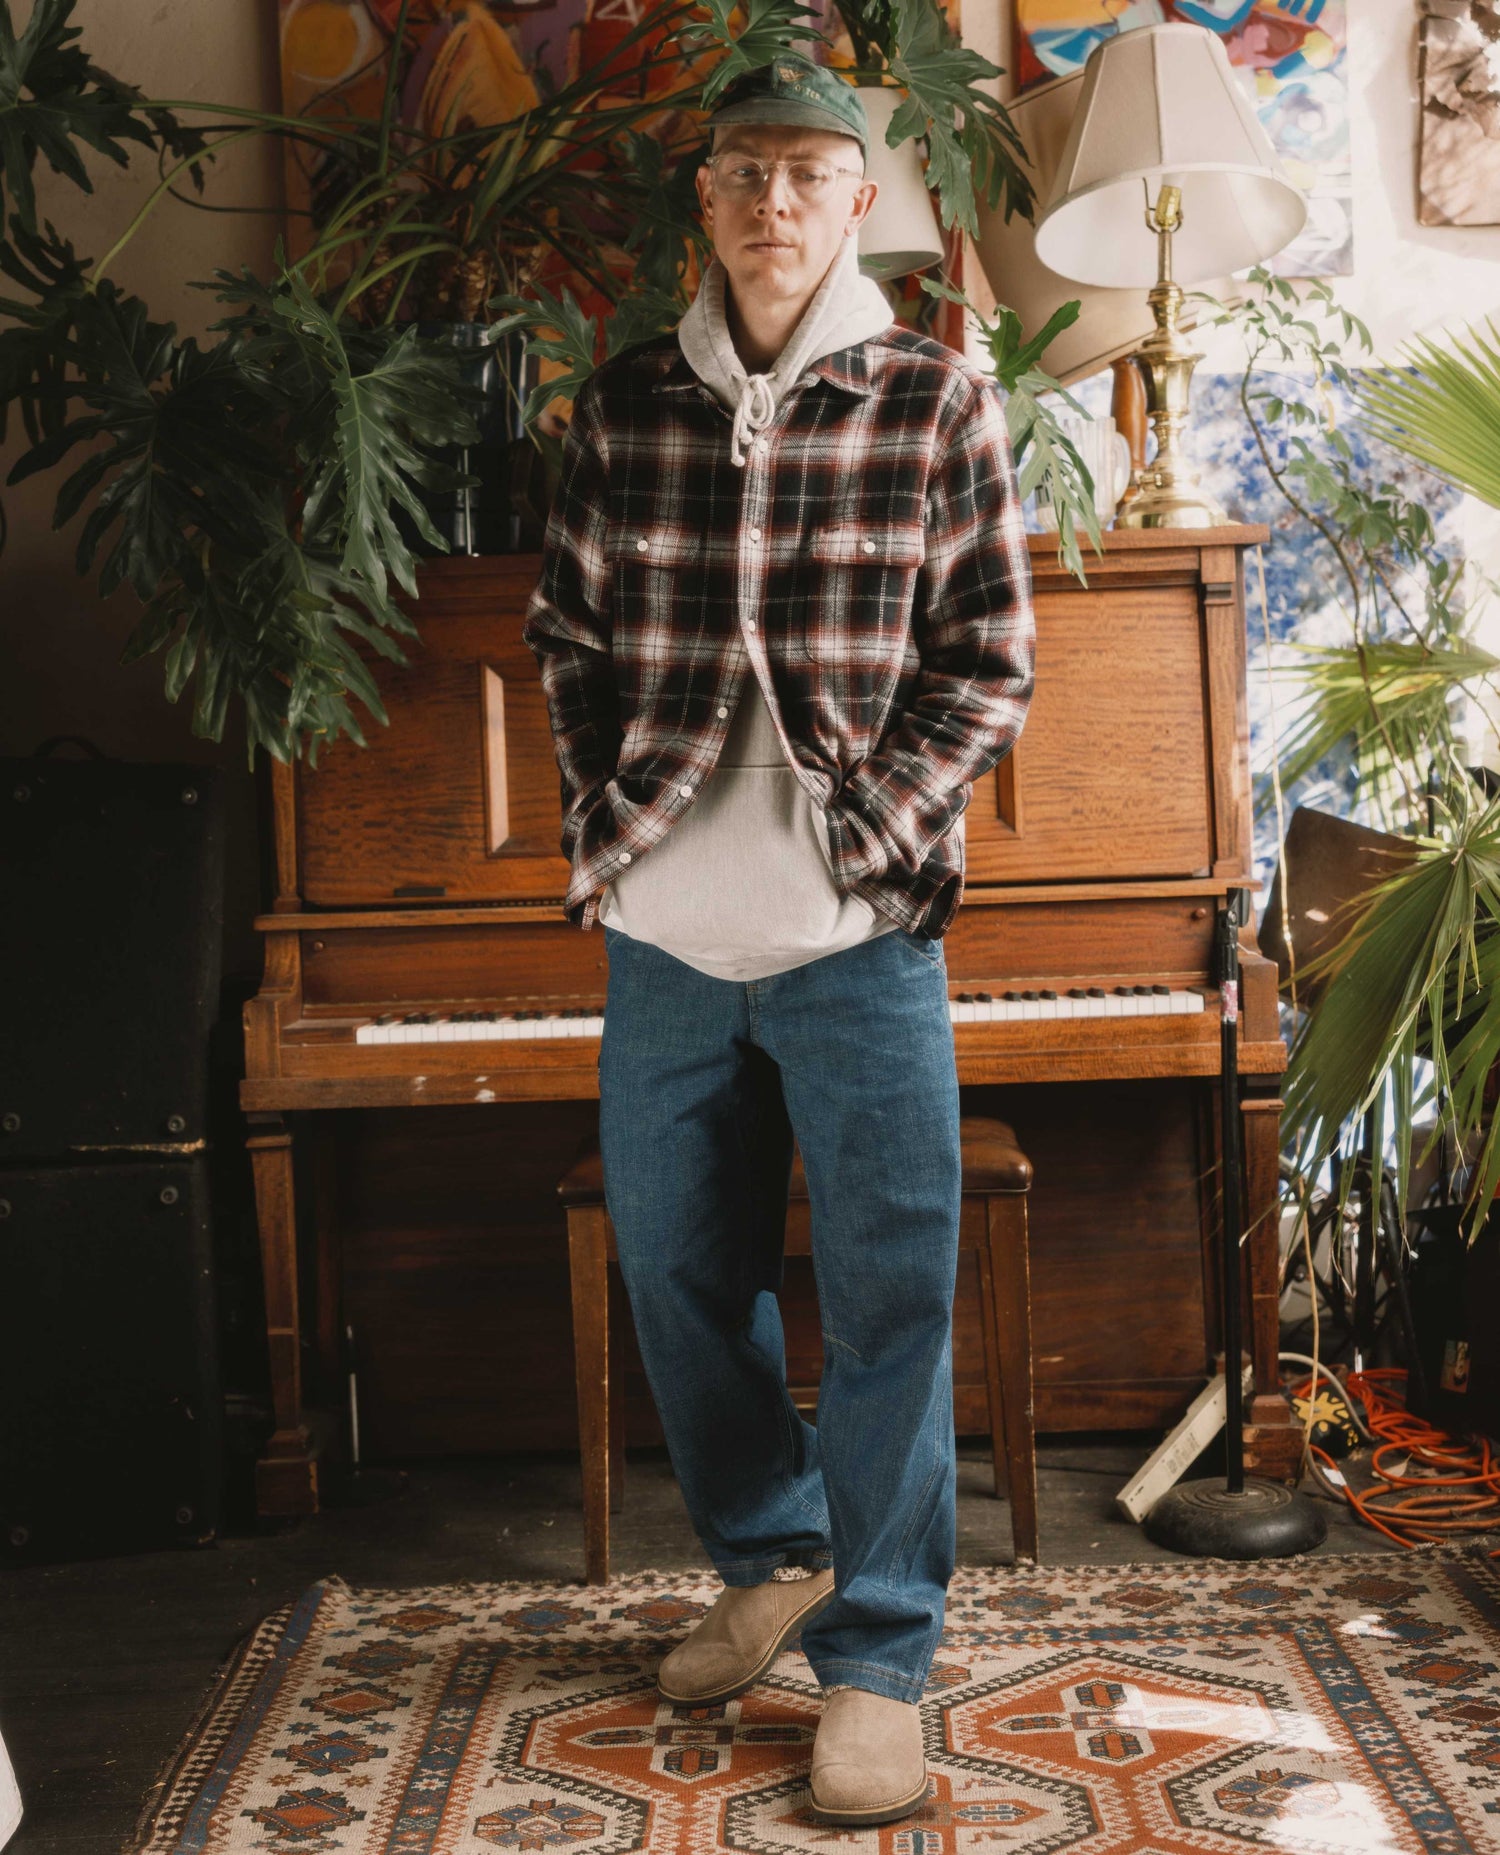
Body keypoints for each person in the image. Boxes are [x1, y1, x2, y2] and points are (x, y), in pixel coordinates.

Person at [522, 52, 1035, 1829]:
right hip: (665, 934)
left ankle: (880, 1659)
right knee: (676, 1272)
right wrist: (614, 832)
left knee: (894, 1295)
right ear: (709, 199)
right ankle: (769, 1556)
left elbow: (989, 659)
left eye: (809, 175)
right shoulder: (626, 401)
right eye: (744, 173)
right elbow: (566, 640)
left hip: (861, 933)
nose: (773, 204)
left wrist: (876, 836)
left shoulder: (936, 398)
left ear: (857, 201)